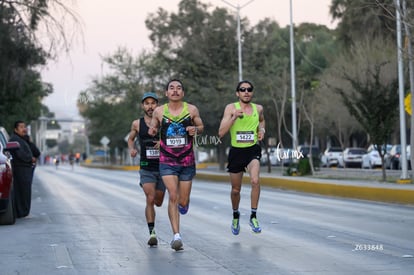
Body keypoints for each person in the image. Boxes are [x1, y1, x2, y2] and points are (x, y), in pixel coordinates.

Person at [148, 79, 204, 251]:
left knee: (183, 200)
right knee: (173, 195)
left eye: (179, 88)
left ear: (183, 93)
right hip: (167, 161)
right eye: (171, 88)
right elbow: (153, 127)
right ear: (166, 93)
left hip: (187, 160)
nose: (175, 91)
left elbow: (200, 126)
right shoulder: (159, 111)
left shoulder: (191, 109)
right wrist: (153, 130)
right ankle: (176, 236)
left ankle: (183, 205)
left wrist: (196, 129)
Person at [218, 80, 266, 235]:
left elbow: (262, 121)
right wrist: (233, 118)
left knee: (255, 180)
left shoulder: (258, 108)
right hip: (236, 152)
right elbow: (221, 133)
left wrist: (262, 130)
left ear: (252, 92)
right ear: (237, 93)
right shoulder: (231, 108)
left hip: (253, 150)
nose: (246, 92)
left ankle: (253, 215)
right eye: (242, 89)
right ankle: (235, 214)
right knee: (236, 190)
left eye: (249, 89)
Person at [128, 92, 166, 247]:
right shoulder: (137, 124)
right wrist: (132, 149)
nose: (150, 106)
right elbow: (130, 138)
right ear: (143, 106)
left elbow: (174, 138)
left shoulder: (164, 122)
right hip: (146, 167)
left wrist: (163, 143)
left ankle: (152, 229)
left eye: (153, 103)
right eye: (147, 103)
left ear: (158, 105)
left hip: (164, 167)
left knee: (158, 201)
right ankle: (152, 233)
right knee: (150, 198)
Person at [9, 121, 35, 218]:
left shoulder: (21, 139)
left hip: (25, 169)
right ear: (15, 129)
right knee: (21, 191)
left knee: (24, 191)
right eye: (21, 127)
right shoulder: (15, 140)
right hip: (21, 169)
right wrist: (30, 158)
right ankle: (21, 212)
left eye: (25, 127)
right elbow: (21, 155)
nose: (24, 129)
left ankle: (23, 211)